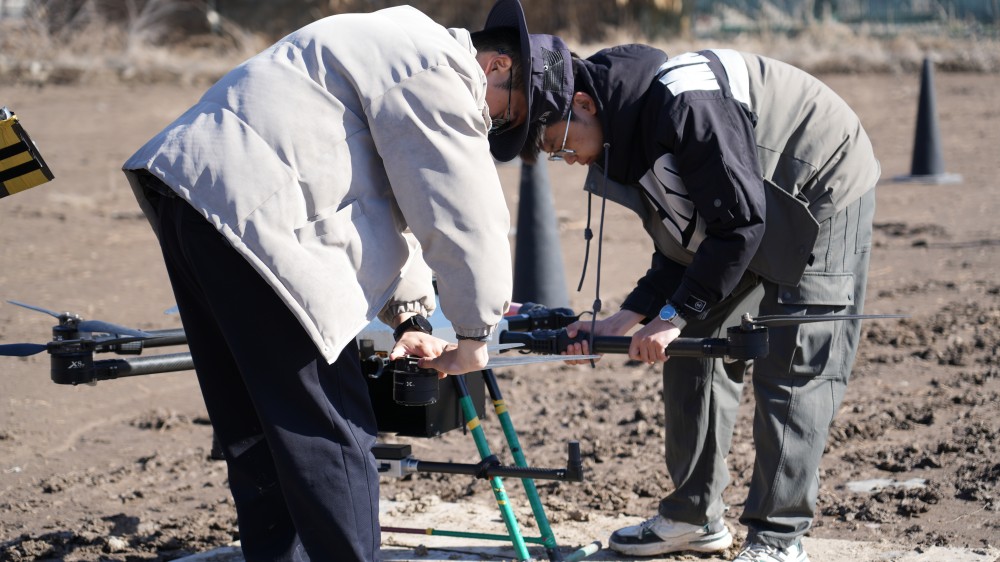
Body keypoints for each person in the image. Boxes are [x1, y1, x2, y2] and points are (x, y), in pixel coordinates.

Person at [120, 0, 575, 559]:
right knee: (332, 432)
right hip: (259, 217)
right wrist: (476, 334)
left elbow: (383, 195)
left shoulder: (388, 40)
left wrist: (409, 314)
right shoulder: (436, 67)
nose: (493, 127)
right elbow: (461, 209)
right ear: (499, 66)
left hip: (194, 196)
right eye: (508, 116)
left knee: (258, 426)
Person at [531, 45, 880, 562]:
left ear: (583, 104)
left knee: (794, 359)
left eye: (559, 145)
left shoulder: (682, 104)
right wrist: (629, 318)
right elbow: (687, 243)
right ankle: (693, 516)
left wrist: (671, 315)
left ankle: (778, 540)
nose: (567, 160)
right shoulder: (627, 132)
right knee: (691, 345)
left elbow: (736, 226)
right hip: (745, 208)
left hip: (819, 182)